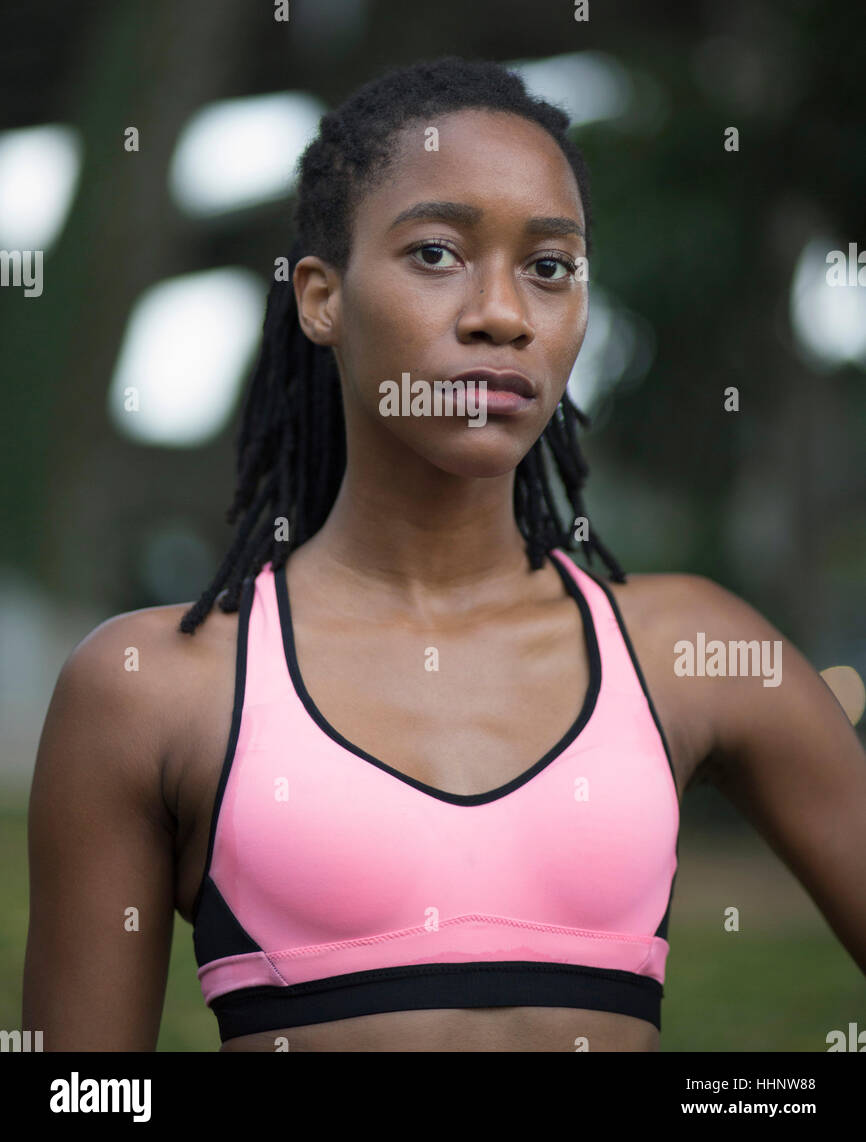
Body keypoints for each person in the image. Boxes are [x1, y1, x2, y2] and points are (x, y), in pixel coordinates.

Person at [22, 57, 866, 1053]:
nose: (501, 313)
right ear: (320, 296)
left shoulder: (691, 652)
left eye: (548, 267)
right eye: (435, 254)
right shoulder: (153, 688)